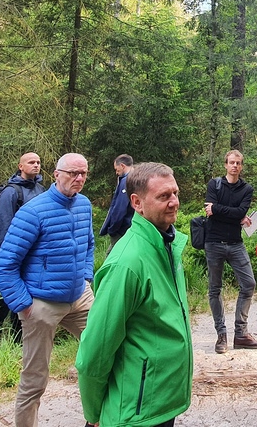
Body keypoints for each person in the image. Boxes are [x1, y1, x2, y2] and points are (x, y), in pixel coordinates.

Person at [76, 162, 193, 427]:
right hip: (134, 412)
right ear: (137, 203)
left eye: (175, 193)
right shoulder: (127, 263)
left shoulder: (167, 245)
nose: (174, 202)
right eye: (163, 196)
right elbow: (94, 351)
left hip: (161, 402)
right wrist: (93, 414)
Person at [0, 153, 95, 427]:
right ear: (56, 173)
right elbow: (5, 266)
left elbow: (88, 244)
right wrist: (25, 305)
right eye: (73, 173)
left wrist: (86, 277)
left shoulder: (84, 205)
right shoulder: (33, 211)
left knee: (105, 352)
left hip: (79, 297)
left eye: (83, 173)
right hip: (42, 303)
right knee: (35, 377)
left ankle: (98, 418)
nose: (79, 178)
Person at [204, 149, 257, 353]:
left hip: (235, 243)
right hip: (213, 243)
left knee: (249, 283)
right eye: (231, 162)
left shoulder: (246, 188)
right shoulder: (215, 184)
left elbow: (237, 212)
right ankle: (221, 335)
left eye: (238, 163)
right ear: (225, 164)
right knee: (215, 289)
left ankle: (241, 334)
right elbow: (212, 212)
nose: (235, 166)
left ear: (242, 166)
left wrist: (219, 210)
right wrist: (235, 215)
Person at [0, 152, 47, 341]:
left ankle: (18, 340)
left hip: (35, 255)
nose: (36, 165)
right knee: (3, 296)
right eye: (31, 162)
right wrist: (9, 256)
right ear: (20, 166)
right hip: (14, 254)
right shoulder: (11, 192)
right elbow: (3, 224)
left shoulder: (42, 190)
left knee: (25, 297)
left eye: (38, 162)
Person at [99, 153, 134, 253]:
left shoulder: (126, 181)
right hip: (131, 228)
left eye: (117, 169)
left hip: (122, 229)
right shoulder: (137, 178)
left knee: (110, 255)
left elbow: (120, 208)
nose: (116, 173)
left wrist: (112, 229)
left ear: (122, 166)